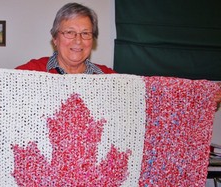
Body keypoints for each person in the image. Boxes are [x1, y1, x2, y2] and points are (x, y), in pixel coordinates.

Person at [16, 2, 221, 108]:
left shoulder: (111, 79)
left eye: (86, 33)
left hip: (95, 175)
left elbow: (152, 103)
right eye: (69, 32)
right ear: (55, 38)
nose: (78, 41)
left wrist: (199, 100)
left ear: (93, 40)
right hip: (45, 174)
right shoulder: (31, 72)